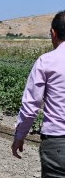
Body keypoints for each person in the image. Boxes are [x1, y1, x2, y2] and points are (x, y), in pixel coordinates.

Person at [11, 10, 65, 177]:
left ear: (53, 33)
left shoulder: (46, 61)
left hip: (58, 145)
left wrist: (20, 136)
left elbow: (31, 105)